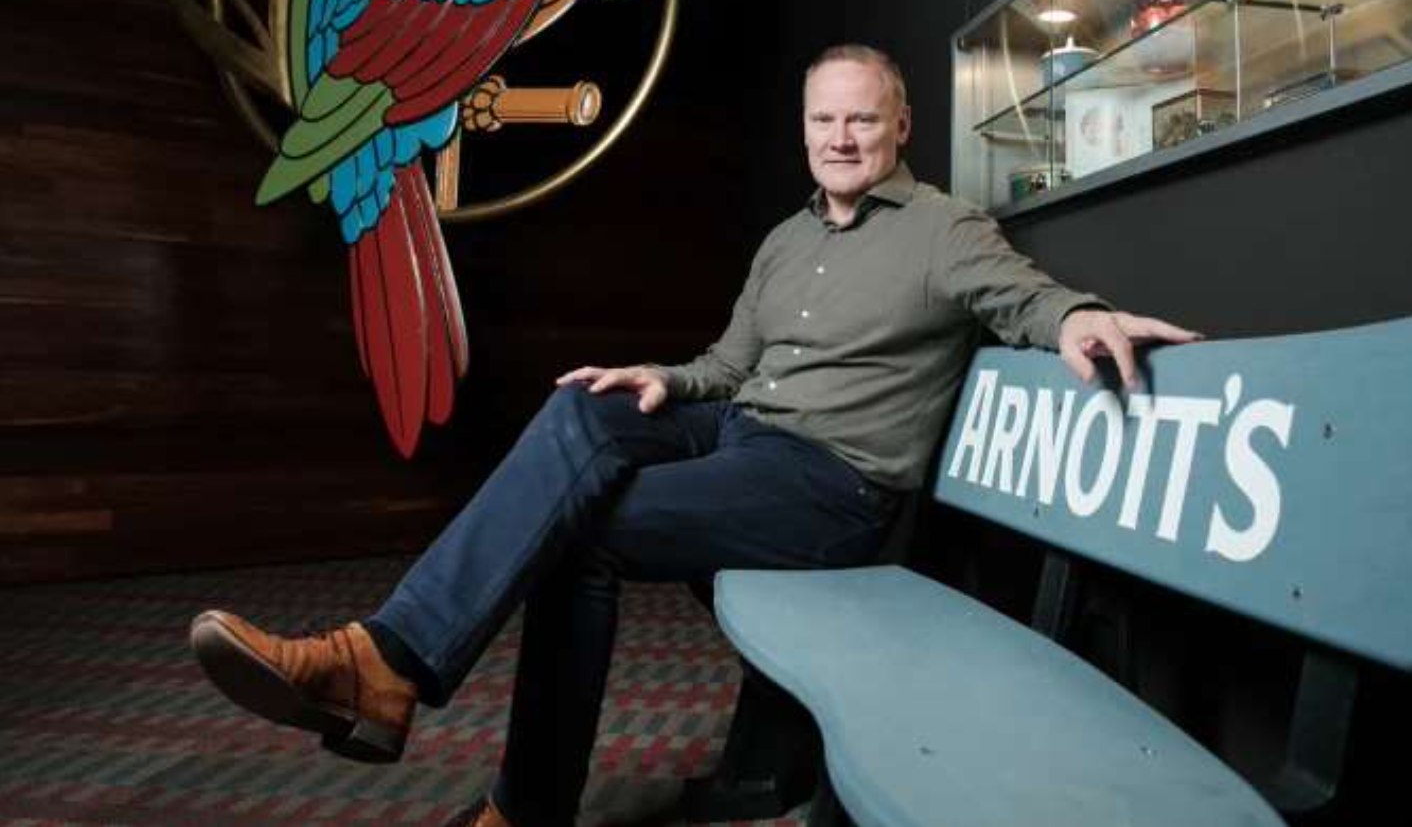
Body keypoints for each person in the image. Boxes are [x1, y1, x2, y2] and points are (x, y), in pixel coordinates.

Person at [190, 44, 1200, 827]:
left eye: (860, 118)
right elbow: (728, 364)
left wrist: (1072, 316)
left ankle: (431, 712)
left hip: (828, 485)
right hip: (735, 429)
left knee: (575, 534)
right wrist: (661, 378)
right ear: (804, 128)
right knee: (584, 405)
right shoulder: (786, 237)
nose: (840, 136)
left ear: (899, 125)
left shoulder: (942, 227)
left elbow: (1015, 292)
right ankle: (389, 660)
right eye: (822, 118)